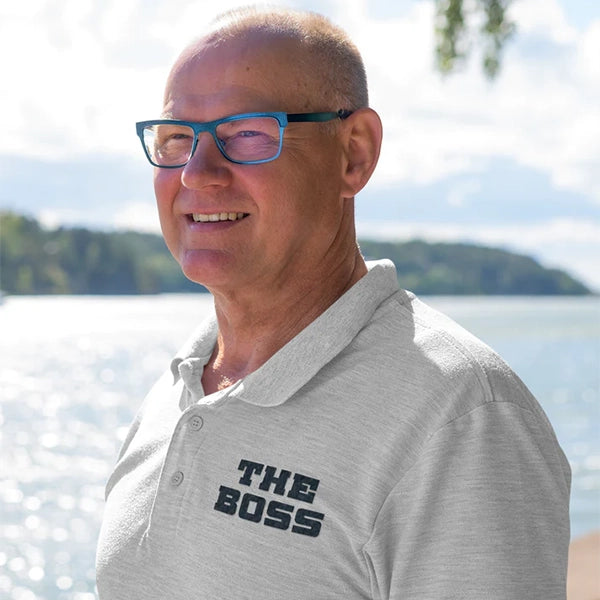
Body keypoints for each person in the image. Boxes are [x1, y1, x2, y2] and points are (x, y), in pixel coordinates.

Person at [96, 6, 571, 599]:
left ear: (354, 153)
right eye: (176, 138)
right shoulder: (175, 392)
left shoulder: (462, 418)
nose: (198, 172)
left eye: (247, 132)